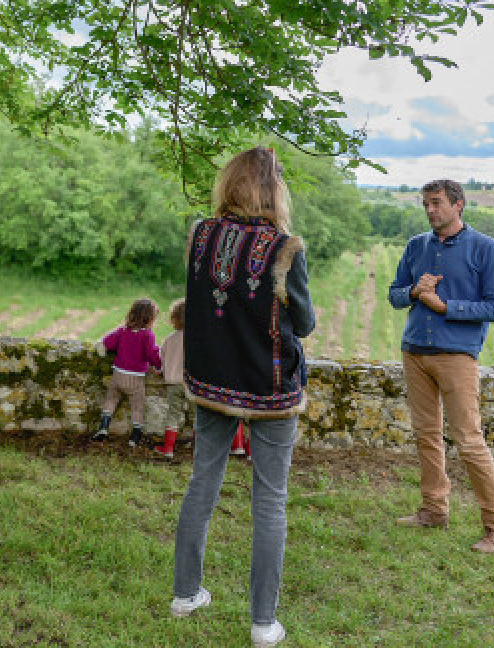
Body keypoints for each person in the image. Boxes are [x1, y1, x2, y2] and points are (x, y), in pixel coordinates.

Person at [170, 147, 315, 648]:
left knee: (201, 483)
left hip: (212, 381)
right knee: (269, 500)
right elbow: (304, 323)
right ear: (274, 188)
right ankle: (262, 624)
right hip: (270, 386)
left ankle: (185, 594)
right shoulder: (285, 247)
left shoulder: (200, 234)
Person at [387, 179, 494, 553]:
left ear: (458, 205)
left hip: (457, 356)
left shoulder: (486, 248)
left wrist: (446, 307)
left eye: (437, 203)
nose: (429, 210)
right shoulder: (416, 246)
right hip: (414, 352)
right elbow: (394, 295)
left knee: (469, 440)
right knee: (426, 435)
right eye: (425, 203)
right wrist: (414, 291)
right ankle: (433, 511)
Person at [92, 297, 162, 446]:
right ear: (150, 318)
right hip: (135, 378)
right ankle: (135, 436)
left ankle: (103, 427)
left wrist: (101, 345)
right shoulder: (148, 335)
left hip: (118, 374)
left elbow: (108, 342)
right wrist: (159, 365)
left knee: (111, 399)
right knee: (137, 406)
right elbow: (151, 354)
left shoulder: (123, 330)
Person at [154, 298, 187, 459]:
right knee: (196, 416)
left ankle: (168, 449)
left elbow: (160, 361)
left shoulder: (169, 339)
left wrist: (160, 371)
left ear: (174, 318)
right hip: (191, 384)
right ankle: (198, 449)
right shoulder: (197, 339)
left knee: (173, 415)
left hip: (173, 383)